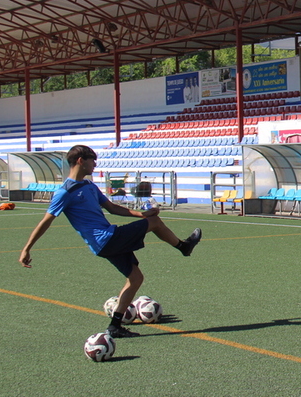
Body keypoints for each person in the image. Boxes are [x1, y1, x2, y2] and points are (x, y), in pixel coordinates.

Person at [18, 145, 202, 338]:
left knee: (136, 278)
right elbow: (45, 222)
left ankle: (114, 326)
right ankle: (183, 247)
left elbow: (113, 208)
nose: (95, 164)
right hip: (106, 239)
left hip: (106, 242)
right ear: (81, 160)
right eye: (92, 160)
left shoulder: (89, 186)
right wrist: (27, 249)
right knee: (154, 223)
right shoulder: (65, 192)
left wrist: (142, 214)